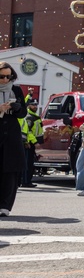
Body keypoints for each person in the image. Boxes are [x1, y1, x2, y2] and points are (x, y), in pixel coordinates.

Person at [0, 62, 28, 216]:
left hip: (11, 133)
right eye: (2, 76)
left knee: (11, 171)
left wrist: (17, 108)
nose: (5, 80)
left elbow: (23, 112)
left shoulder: (16, 90)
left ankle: (5, 207)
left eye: (8, 76)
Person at [19, 99, 42, 188]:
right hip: (29, 143)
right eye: (33, 105)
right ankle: (25, 181)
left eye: (36, 105)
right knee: (27, 164)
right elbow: (28, 132)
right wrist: (33, 141)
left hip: (30, 143)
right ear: (28, 105)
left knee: (30, 163)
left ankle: (27, 181)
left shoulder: (34, 116)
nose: (35, 106)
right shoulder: (29, 117)